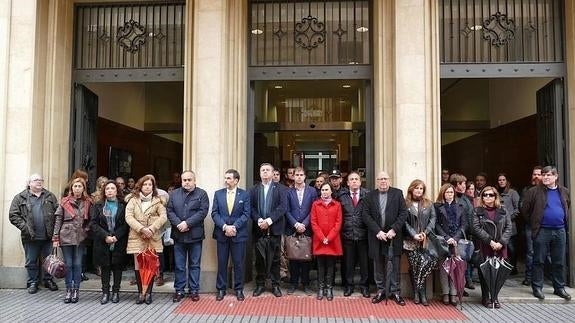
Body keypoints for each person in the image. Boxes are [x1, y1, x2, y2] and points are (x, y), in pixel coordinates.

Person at [521, 166, 571, 301]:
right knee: (539, 260)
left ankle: (559, 288)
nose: (545, 177)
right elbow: (525, 210)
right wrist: (534, 223)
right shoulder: (533, 191)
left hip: (560, 230)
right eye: (543, 175)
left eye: (548, 175)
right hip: (542, 230)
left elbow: (567, 206)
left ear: (556, 177)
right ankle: (537, 287)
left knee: (559, 261)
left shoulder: (564, 191)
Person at [362, 171, 408, 306]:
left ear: (389, 180)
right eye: (380, 179)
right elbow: (365, 215)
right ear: (377, 181)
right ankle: (381, 291)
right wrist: (377, 231)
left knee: (394, 265)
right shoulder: (370, 196)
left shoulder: (397, 193)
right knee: (378, 266)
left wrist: (394, 229)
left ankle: (396, 292)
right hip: (377, 236)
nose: (383, 181)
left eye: (385, 179)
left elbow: (403, 213)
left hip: (393, 237)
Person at [9, 174, 59, 294]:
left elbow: (58, 213)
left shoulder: (50, 196)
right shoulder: (20, 197)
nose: (39, 182)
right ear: (29, 183)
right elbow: (13, 215)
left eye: (41, 180)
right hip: (30, 236)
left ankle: (48, 280)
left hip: (48, 235)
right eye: (36, 180)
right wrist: (25, 228)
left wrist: (55, 232)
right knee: (31, 261)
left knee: (49, 260)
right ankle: (33, 282)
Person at [167, 170, 209, 303]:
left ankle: (194, 290)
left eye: (189, 180)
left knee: (194, 264)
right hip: (179, 235)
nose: (186, 182)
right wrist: (179, 223)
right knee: (179, 265)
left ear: (194, 180)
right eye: (184, 180)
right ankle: (179, 290)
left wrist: (187, 223)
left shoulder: (202, 194)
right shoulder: (174, 194)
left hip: (195, 235)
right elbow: (169, 211)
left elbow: (203, 212)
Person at [125, 175, 167, 305]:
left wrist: (151, 229)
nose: (147, 187)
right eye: (145, 184)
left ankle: (148, 293)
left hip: (152, 237)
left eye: (150, 185)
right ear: (140, 186)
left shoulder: (158, 201)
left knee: (150, 265)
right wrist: (142, 229)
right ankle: (140, 293)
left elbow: (163, 217)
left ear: (153, 187)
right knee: (138, 265)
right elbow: (129, 217)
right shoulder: (133, 200)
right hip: (137, 236)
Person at [211, 169, 251, 301]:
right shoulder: (218, 194)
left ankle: (238, 289)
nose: (226, 181)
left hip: (238, 234)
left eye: (229, 178)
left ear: (236, 180)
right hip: (222, 234)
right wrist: (224, 227)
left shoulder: (244, 195)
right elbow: (214, 213)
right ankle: (221, 289)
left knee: (238, 263)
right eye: (225, 178)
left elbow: (246, 214)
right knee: (222, 262)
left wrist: (234, 227)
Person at [52, 177, 93, 303]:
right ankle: (68, 289)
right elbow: (58, 219)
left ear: (83, 188)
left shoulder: (88, 202)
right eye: (75, 186)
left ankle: (76, 290)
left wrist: (86, 230)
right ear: (71, 188)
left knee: (77, 264)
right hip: (66, 235)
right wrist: (55, 237)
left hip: (80, 237)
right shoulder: (64, 201)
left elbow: (92, 219)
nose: (77, 188)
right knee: (68, 264)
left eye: (80, 186)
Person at [250, 163, 287, 297]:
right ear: (260, 173)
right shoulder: (254, 190)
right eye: (262, 170)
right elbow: (251, 208)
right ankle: (260, 284)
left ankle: (275, 285)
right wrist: (259, 220)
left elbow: (282, 207)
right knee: (260, 258)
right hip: (259, 229)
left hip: (274, 229)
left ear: (272, 173)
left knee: (276, 258)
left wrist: (269, 221)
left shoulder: (281, 189)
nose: (265, 172)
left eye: (267, 170)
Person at [472, 186, 512, 308]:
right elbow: (476, 228)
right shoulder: (477, 211)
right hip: (485, 245)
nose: (488, 197)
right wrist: (490, 242)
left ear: (496, 197)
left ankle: (495, 297)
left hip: (500, 246)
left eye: (491, 195)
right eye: (485, 195)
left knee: (499, 272)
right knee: (485, 272)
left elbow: (508, 228)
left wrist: (501, 242)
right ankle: (486, 297)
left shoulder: (503, 210)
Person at [90, 180, 129, 304]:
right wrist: (106, 236)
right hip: (103, 241)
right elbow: (94, 224)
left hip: (119, 240)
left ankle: (116, 292)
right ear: (104, 191)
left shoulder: (124, 205)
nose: (110, 191)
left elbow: (126, 224)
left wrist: (116, 236)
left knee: (117, 267)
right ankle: (105, 292)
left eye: (112, 188)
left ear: (117, 190)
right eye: (107, 189)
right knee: (105, 267)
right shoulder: (98, 205)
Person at [285, 167, 317, 295]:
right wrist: (295, 224)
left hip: (307, 228)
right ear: (293, 177)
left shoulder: (312, 191)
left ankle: (305, 284)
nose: (298, 177)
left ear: (305, 176)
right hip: (292, 228)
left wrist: (304, 223)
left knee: (305, 258)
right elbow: (286, 210)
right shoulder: (288, 192)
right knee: (293, 258)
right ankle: (293, 283)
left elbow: (313, 209)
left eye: (301, 175)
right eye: (296, 175)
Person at [404, 179, 436, 306]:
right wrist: (414, 234)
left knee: (424, 267)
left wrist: (425, 233)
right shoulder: (406, 203)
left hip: (425, 240)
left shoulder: (429, 203)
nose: (418, 190)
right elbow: (404, 222)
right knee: (414, 267)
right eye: (416, 188)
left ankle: (421, 293)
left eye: (421, 188)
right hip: (410, 241)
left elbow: (433, 219)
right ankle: (417, 293)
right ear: (411, 189)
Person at [434, 183, 466, 306]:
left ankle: (453, 293)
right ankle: (445, 293)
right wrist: (446, 237)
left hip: (456, 242)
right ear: (443, 193)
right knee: (444, 268)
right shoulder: (437, 207)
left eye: (451, 192)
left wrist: (455, 238)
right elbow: (436, 224)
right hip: (443, 241)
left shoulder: (460, 206)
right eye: (447, 192)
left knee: (455, 267)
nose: (449, 194)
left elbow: (464, 225)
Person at [340, 171, 370, 298]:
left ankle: (364, 287)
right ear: (347, 183)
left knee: (364, 263)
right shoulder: (342, 196)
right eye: (351, 179)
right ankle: (349, 286)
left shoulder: (368, 195)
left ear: (360, 181)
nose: (354, 181)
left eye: (356, 179)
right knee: (348, 263)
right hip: (347, 235)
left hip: (363, 235)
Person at [311, 183, 343, 301]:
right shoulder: (315, 204)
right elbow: (313, 222)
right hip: (319, 240)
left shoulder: (337, 205)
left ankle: (329, 288)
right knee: (320, 266)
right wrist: (321, 237)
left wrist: (328, 238)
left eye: (327, 190)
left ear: (331, 191)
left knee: (330, 266)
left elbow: (338, 223)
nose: (324, 192)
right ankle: (320, 288)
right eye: (323, 190)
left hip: (332, 241)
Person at [519, 165, 542, 286]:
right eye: (534, 174)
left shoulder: (548, 189)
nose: (536, 176)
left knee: (547, 252)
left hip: (546, 226)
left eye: (539, 174)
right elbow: (523, 207)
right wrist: (530, 220)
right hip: (530, 226)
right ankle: (529, 277)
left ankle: (546, 277)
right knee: (531, 252)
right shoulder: (526, 190)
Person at [496, 173, 520, 275]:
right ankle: (502, 268)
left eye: (503, 180)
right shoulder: (495, 193)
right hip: (498, 226)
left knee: (511, 248)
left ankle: (513, 267)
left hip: (510, 226)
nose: (501, 181)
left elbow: (517, 209)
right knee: (500, 248)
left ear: (507, 181)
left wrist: (508, 219)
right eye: (499, 180)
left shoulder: (512, 193)